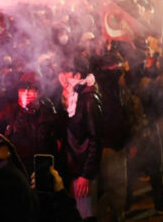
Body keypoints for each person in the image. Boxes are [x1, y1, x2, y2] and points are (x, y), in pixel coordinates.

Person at [57, 59, 102, 221]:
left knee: (86, 216)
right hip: (71, 168)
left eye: (66, 72)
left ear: (77, 75)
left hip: (82, 171)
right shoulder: (69, 96)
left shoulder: (88, 99)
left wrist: (86, 175)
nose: (61, 76)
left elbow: (95, 139)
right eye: (60, 72)